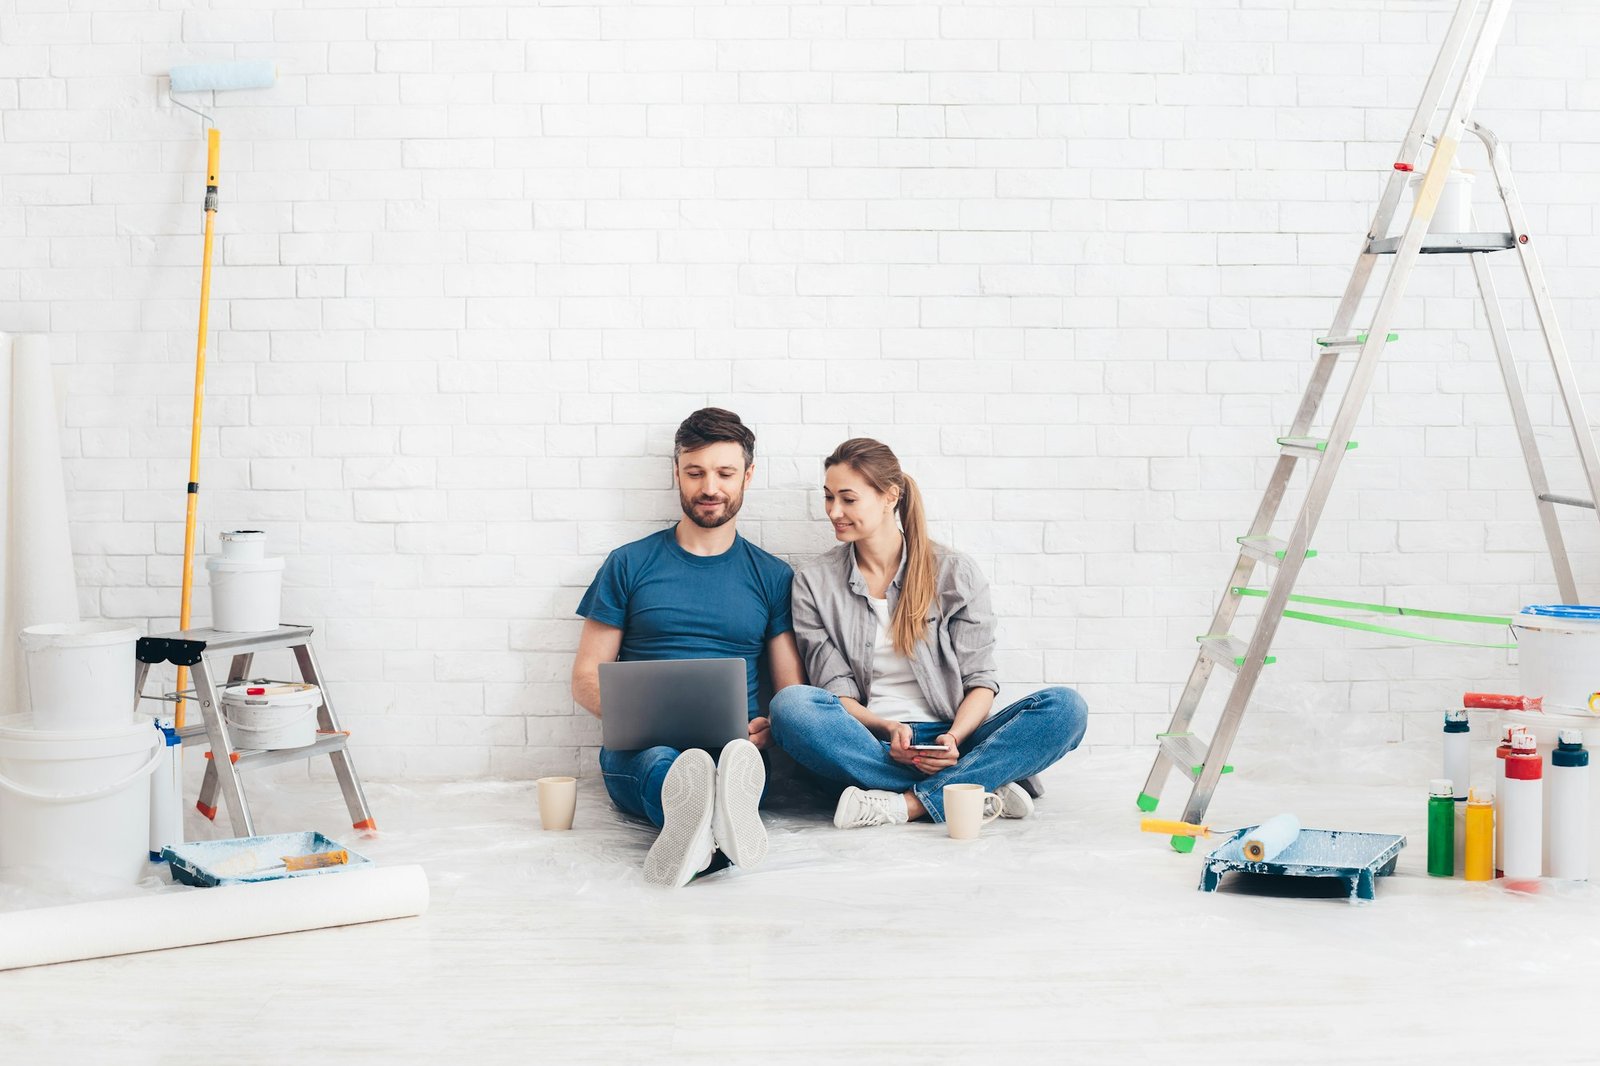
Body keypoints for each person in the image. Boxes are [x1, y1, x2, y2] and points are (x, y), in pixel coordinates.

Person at [769, 438, 1086, 829]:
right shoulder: (814, 582)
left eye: (848, 499)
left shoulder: (954, 572)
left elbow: (980, 683)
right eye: (829, 497)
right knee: (791, 706)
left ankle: (910, 803)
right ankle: (976, 785)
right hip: (872, 741)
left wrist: (952, 739)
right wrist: (888, 728)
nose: (834, 511)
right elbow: (837, 692)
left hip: (954, 739)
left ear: (890, 497)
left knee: (1066, 708)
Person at [571, 408, 803, 887]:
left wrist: (769, 729)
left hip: (733, 747)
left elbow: (790, 691)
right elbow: (585, 678)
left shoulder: (772, 576)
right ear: (676, 472)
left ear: (748, 476)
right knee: (663, 762)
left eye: (725, 473)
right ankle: (709, 822)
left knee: (732, 764)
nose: (710, 488)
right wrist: (640, 720)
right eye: (695, 472)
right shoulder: (628, 564)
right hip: (640, 748)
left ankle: (701, 831)